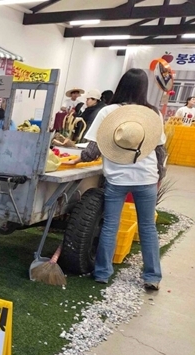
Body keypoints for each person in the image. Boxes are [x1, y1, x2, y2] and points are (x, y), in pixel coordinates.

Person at [65, 69, 166, 291]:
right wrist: (160, 174)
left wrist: (78, 159)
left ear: (121, 85)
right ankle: (152, 276)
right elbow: (159, 150)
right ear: (144, 88)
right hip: (147, 177)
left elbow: (93, 149)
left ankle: (102, 273)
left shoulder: (108, 111)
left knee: (111, 225)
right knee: (148, 227)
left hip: (117, 179)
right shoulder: (153, 113)